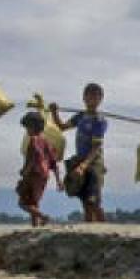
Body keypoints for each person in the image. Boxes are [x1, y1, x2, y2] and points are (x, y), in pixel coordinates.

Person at [49, 84, 108, 223]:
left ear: (100, 99)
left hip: (93, 163)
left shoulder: (99, 121)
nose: (92, 99)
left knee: (93, 201)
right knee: (85, 202)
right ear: (84, 98)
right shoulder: (80, 116)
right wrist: (54, 112)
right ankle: (89, 231)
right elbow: (62, 127)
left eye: (96, 96)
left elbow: (96, 147)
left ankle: (105, 230)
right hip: (80, 160)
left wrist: (84, 166)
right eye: (89, 96)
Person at [17, 112, 60, 228]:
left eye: (27, 127)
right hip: (44, 175)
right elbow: (53, 162)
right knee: (34, 202)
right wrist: (58, 181)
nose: (26, 130)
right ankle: (35, 226)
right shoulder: (46, 142)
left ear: (33, 126)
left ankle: (43, 216)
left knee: (23, 203)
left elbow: (34, 157)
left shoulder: (33, 140)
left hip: (34, 174)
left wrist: (25, 172)